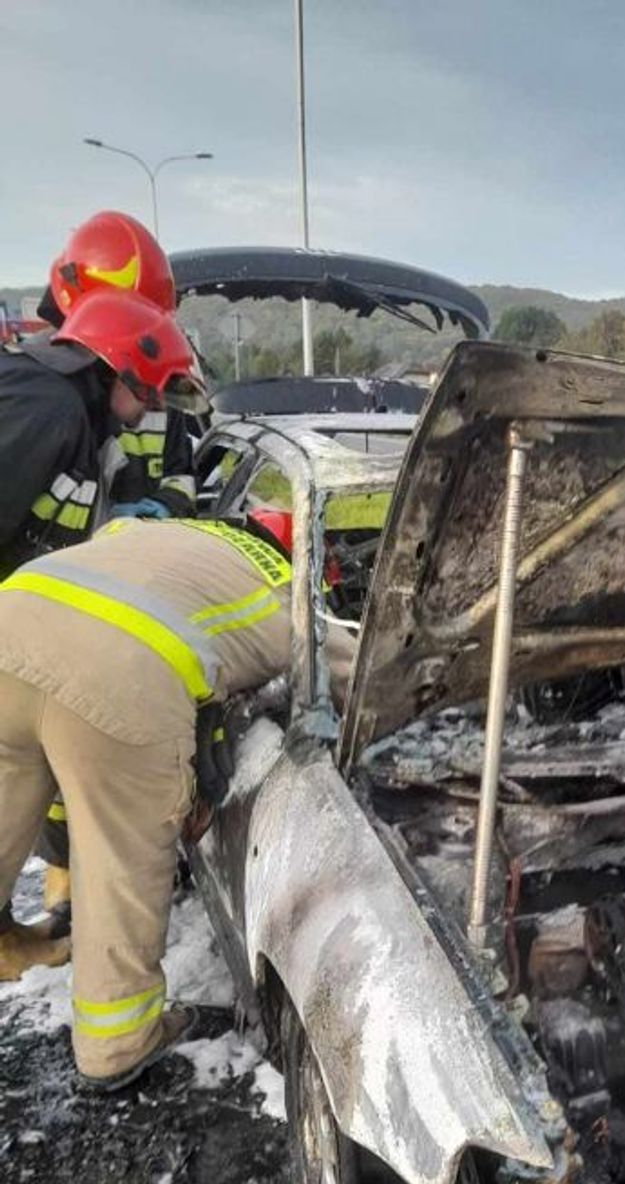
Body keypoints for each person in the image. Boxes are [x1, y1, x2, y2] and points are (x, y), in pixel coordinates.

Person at [0, 507, 354, 1090]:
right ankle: (116, 1043)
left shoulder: (162, 532)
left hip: (15, 614)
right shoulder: (284, 592)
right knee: (121, 859)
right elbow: (350, 673)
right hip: (115, 683)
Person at [0, 291, 208, 983]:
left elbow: (44, 511)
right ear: (115, 368)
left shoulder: (76, 411)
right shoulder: (51, 407)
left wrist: (117, 515)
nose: (150, 408)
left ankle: (11, 936)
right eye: (146, 391)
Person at [37, 209, 198, 519]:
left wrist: (163, 507)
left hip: (140, 549)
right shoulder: (55, 392)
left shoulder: (159, 385)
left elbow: (183, 475)